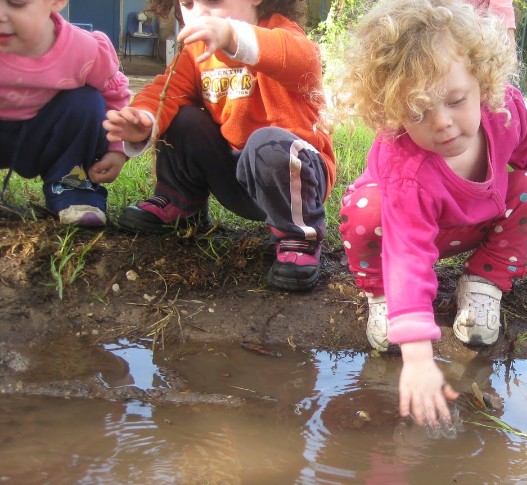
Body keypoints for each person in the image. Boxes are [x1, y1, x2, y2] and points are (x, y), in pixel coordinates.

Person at [335, 0, 527, 427]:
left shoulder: (503, 109)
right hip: (393, 233)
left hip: (473, 223)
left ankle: (485, 282)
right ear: (391, 110)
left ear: (481, 80)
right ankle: (385, 297)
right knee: (365, 208)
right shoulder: (405, 164)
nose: (443, 123)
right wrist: (416, 354)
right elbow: (408, 251)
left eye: (454, 100)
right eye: (418, 112)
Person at [103, 0, 335, 292]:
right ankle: (181, 202)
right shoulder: (196, 54)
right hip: (235, 174)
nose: (199, 13)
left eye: (212, 1)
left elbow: (302, 58)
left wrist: (233, 35)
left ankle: (299, 235)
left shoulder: (282, 34)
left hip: (296, 177)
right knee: (181, 116)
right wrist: (143, 121)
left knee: (266, 141)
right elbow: (165, 92)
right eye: (187, 4)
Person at [0, 0, 130, 227]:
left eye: (16, 2)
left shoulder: (84, 50)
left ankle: (72, 186)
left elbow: (116, 95)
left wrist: (118, 149)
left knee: (87, 101)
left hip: (47, 137)